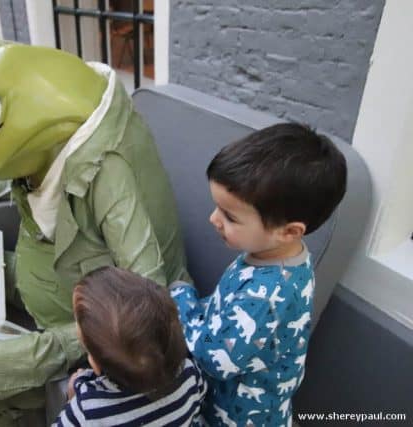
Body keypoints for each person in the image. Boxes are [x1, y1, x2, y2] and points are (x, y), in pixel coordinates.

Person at [170, 123, 347, 426]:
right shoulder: (275, 257)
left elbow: (217, 359)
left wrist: (181, 301)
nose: (214, 219)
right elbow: (225, 310)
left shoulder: (267, 295)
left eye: (229, 216)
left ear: (288, 231)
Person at [55, 267, 207, 426]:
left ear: (95, 364)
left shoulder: (87, 409)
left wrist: (73, 396)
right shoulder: (189, 373)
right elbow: (198, 400)